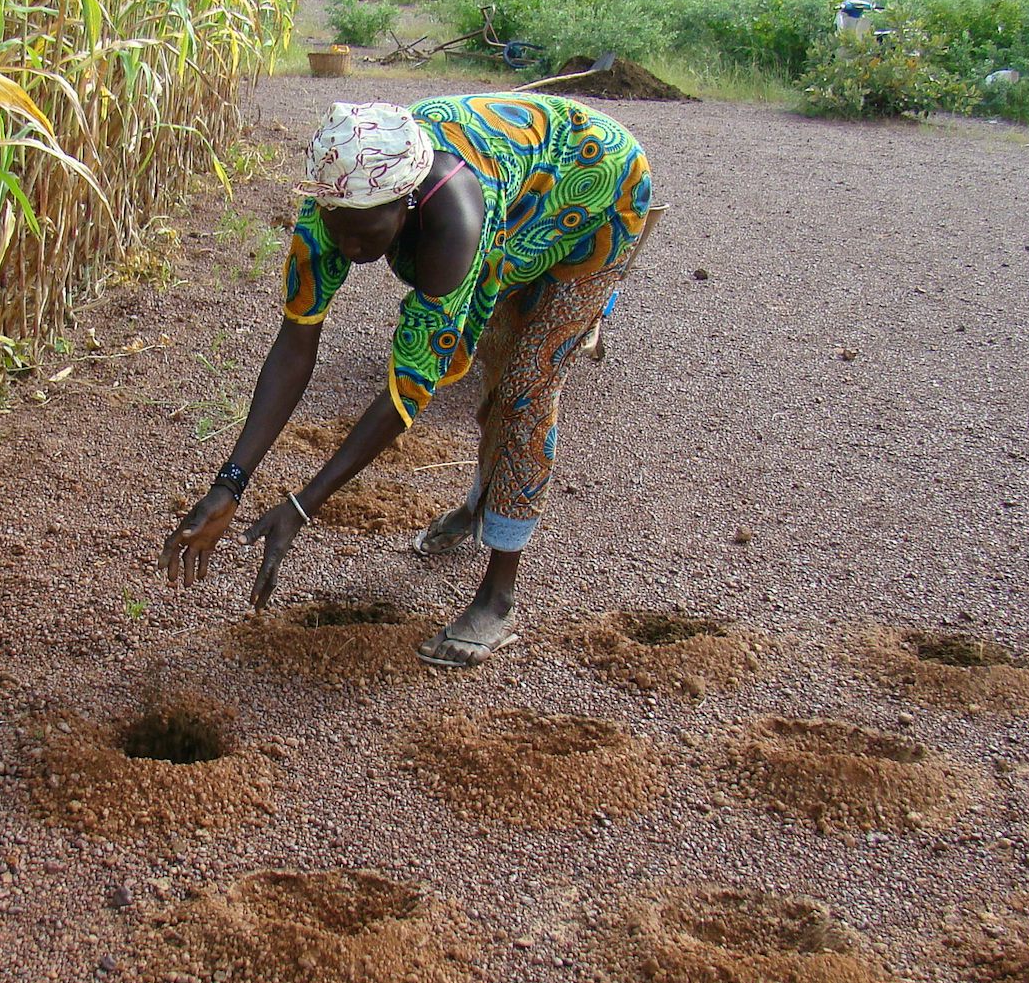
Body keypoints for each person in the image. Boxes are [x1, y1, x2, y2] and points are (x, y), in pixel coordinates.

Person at [158, 93, 659, 666]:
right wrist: (229, 484)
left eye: (365, 233)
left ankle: (498, 596)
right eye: (337, 227)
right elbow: (296, 345)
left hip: (596, 185)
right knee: (494, 354)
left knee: (525, 386)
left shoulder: (455, 226)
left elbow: (407, 388)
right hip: (519, 181)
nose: (347, 246)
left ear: (409, 200)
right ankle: (481, 508)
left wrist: (302, 506)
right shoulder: (339, 195)